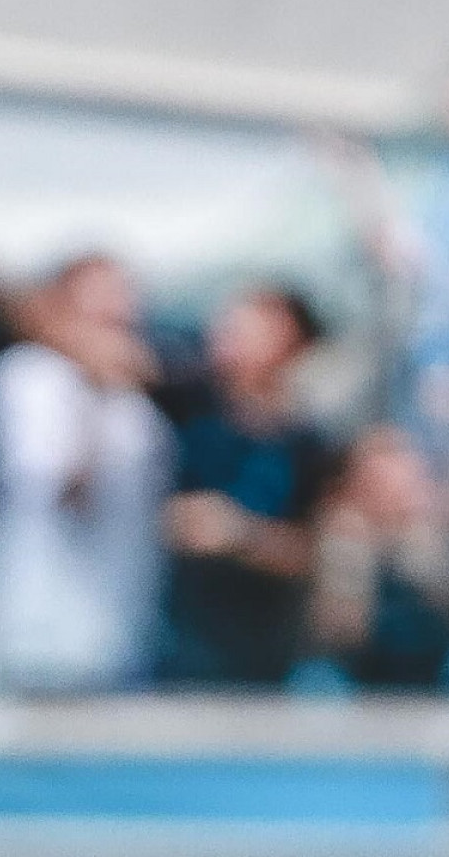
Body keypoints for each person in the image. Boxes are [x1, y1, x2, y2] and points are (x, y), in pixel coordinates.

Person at [0, 255, 172, 692]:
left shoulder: (136, 401)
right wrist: (94, 390)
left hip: (124, 633)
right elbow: (67, 489)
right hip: (43, 636)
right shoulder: (32, 377)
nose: (121, 310)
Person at [156, 288, 332, 684]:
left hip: (263, 654)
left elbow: (312, 553)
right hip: (172, 643)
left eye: (245, 327)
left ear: (288, 337)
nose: (226, 336)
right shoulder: (183, 402)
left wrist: (237, 533)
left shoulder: (309, 442)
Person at [305, 426, 449, 687]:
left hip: (432, 667)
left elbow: (441, 609)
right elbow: (342, 629)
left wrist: (410, 543)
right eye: (382, 482)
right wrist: (362, 551)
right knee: (317, 680)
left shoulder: (433, 536)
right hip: (354, 669)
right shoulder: (339, 538)